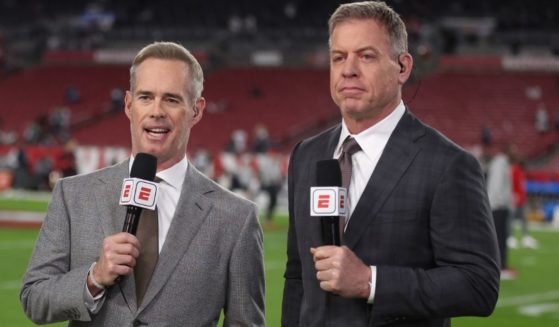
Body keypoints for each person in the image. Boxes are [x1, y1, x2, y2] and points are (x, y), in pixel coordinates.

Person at [282, 2, 500, 326]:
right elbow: (298, 276)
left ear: (403, 67)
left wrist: (371, 282)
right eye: (339, 57)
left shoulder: (447, 165)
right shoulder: (306, 156)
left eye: (366, 56)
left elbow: (479, 285)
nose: (348, 69)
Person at [21, 41, 265, 326]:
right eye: (146, 97)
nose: (157, 111)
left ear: (196, 110)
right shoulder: (74, 195)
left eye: (172, 99)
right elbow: (34, 298)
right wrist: (94, 278)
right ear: (128, 104)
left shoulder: (236, 218)